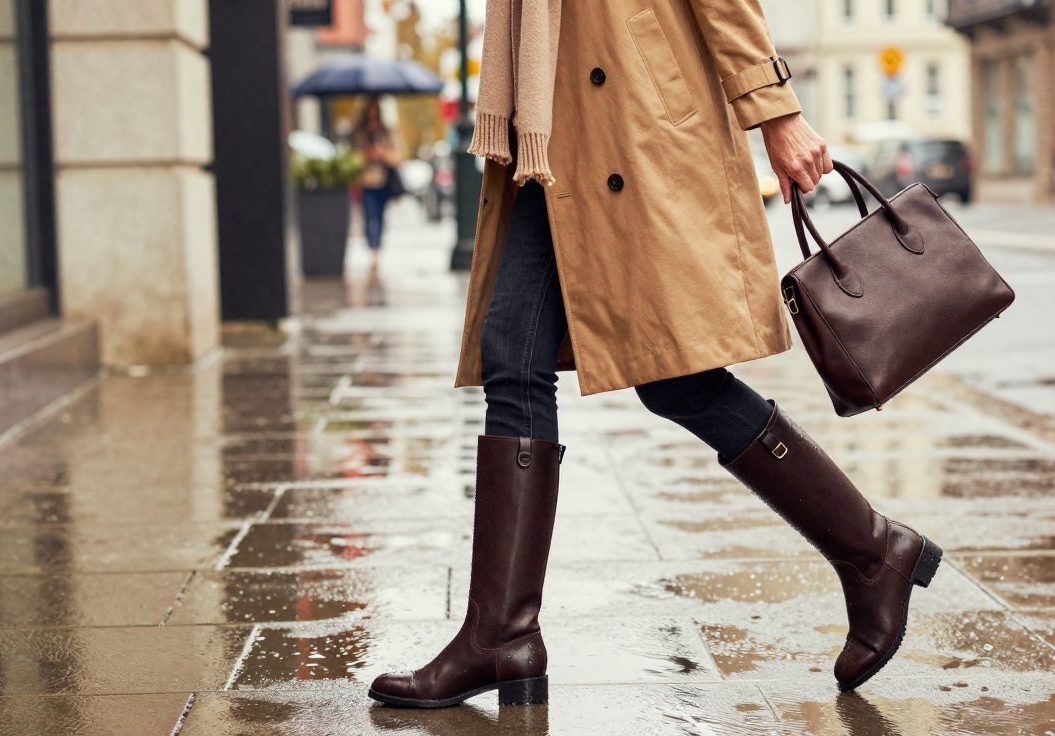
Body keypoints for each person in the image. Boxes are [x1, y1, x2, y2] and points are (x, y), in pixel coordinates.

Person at [368, 0, 941, 709]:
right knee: (511, 358)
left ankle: (872, 548)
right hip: (546, 123)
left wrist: (778, 110)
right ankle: (501, 635)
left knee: (677, 378)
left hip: (632, 122)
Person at [350, 96, 403, 269]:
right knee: (369, 214)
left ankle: (376, 248)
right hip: (367, 181)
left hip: (385, 181)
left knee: (380, 215)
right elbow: (353, 156)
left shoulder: (387, 132)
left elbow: (399, 155)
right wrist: (367, 154)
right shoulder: (359, 133)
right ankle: (373, 247)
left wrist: (382, 153)